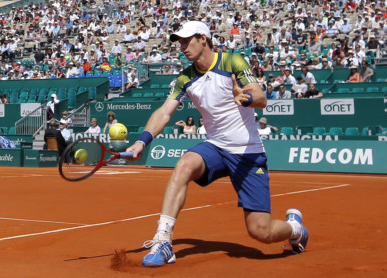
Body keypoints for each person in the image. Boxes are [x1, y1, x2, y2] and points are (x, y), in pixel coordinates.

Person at [125, 21, 308, 267]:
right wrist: (141, 142)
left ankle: (295, 229)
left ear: (203, 38)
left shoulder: (232, 62)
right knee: (184, 165)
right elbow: (165, 112)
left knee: (260, 232)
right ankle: (163, 240)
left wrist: (244, 99)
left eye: (186, 40)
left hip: (247, 153)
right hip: (216, 146)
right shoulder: (185, 78)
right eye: (179, 42)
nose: (182, 47)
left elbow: (262, 98)